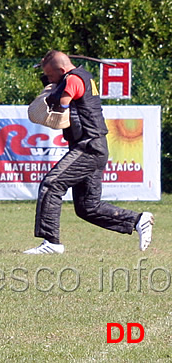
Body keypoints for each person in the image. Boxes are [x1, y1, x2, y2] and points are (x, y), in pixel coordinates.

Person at [24, 50, 153, 254]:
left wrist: (50, 101)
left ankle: (51, 243)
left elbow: (63, 104)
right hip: (94, 146)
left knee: (52, 184)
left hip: (88, 146)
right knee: (87, 207)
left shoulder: (73, 79)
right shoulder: (79, 76)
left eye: (50, 75)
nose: (48, 79)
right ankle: (138, 220)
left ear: (61, 69)